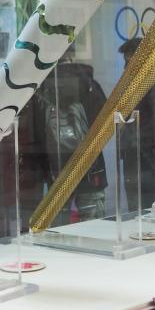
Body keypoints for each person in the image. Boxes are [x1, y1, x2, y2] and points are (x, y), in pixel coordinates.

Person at [31, 51, 108, 224]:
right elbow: (105, 122)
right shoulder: (90, 84)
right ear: (71, 57)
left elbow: (35, 132)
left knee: (59, 228)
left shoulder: (42, 88)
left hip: (55, 167)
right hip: (90, 165)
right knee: (94, 225)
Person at [118, 37, 155, 209]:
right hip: (134, 150)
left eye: (130, 60)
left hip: (148, 151)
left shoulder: (154, 81)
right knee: (134, 203)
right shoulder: (132, 84)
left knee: (150, 204)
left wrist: (139, 140)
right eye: (126, 61)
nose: (126, 66)